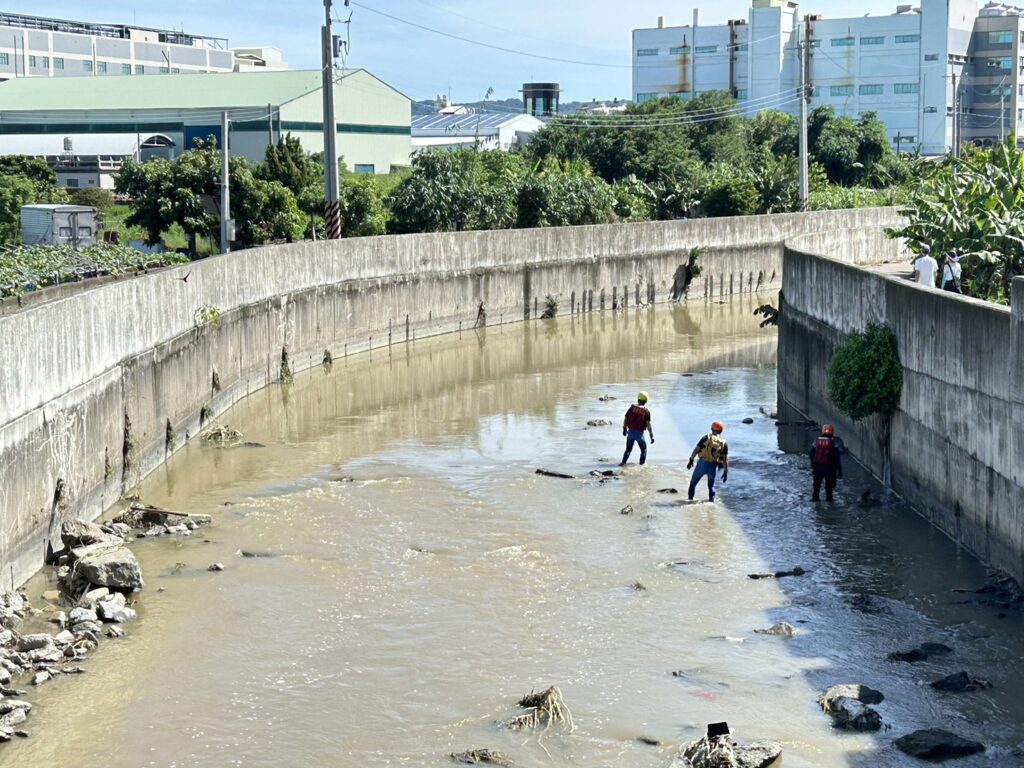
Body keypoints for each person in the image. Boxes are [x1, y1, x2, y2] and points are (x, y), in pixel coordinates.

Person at [687, 422, 728, 501]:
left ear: (712, 429)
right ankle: (711, 503)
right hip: (713, 466)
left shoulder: (706, 437)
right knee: (711, 487)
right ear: (721, 431)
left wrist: (691, 459)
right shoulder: (723, 443)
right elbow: (725, 459)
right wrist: (726, 471)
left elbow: (697, 449)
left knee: (693, 484)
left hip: (702, 464)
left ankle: (690, 501)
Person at [809, 424, 843, 502]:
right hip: (830, 469)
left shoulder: (816, 441)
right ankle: (830, 507)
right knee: (829, 491)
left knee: (816, 489)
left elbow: (811, 455)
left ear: (823, 431)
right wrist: (839, 471)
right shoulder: (834, 443)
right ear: (832, 432)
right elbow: (837, 459)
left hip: (818, 468)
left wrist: (813, 466)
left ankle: (816, 502)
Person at [620, 392, 654, 466]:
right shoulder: (646, 411)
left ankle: (623, 463)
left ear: (638, 399)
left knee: (628, 450)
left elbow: (626, 418)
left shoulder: (632, 408)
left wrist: (624, 428)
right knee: (644, 450)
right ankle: (642, 466)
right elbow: (648, 425)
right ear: (646, 401)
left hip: (630, 433)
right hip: (639, 434)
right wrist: (651, 436)